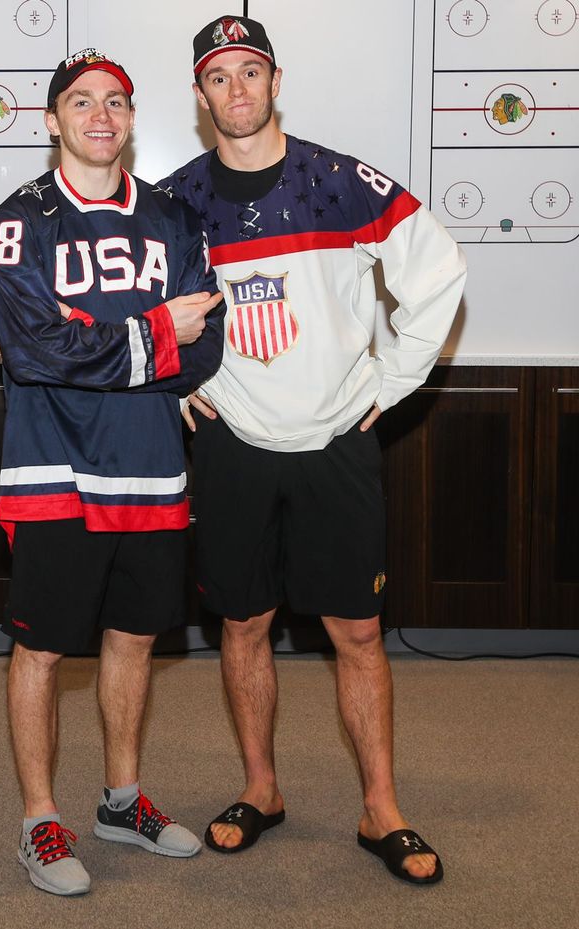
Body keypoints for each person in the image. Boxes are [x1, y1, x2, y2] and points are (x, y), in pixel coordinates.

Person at [156, 15, 467, 885]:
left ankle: (382, 806)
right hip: (234, 442)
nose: (237, 90)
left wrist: (390, 382)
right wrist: (180, 383)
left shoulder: (341, 181)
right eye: (219, 77)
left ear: (275, 79)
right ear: (200, 93)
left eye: (250, 71)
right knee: (243, 622)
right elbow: (141, 312)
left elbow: (437, 270)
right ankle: (262, 788)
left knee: (358, 631)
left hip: (335, 436)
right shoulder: (176, 202)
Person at [0, 47, 224, 896]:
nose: (100, 115)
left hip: (151, 466)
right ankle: (39, 817)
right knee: (44, 648)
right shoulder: (20, 219)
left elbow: (209, 348)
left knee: (134, 636)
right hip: (52, 464)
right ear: (52, 119)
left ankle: (121, 799)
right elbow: (33, 347)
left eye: (116, 101)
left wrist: (100, 335)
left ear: (131, 118)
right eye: (81, 102)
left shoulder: (173, 216)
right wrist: (155, 331)